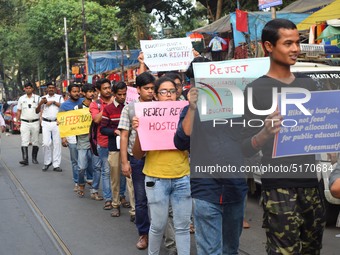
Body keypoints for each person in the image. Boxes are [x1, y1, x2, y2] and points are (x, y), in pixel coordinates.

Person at [241, 19, 325, 254]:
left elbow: (320, 129)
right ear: (269, 46)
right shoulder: (255, 90)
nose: (296, 49)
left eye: (297, 42)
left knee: (312, 249)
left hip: (311, 184)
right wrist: (265, 133)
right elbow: (244, 147)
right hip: (279, 186)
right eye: (288, 43)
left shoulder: (308, 84)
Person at [132, 77, 192, 255]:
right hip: (156, 179)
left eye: (172, 91)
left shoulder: (186, 114)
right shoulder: (146, 115)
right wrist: (139, 131)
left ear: (177, 93)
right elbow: (137, 154)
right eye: (163, 92)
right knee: (157, 226)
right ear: (156, 96)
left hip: (182, 176)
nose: (168, 95)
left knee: (182, 227)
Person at [118, 72, 154, 250]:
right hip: (138, 159)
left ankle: (159, 232)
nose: (150, 91)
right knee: (141, 199)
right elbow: (124, 136)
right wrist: (125, 162)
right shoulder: (130, 109)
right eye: (146, 88)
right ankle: (143, 234)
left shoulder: (161, 106)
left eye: (152, 88)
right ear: (138, 89)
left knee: (159, 200)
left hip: (158, 159)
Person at [100, 81, 135, 220]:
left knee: (130, 179)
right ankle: (115, 204)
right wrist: (114, 131)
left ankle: (134, 210)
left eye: (124, 94)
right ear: (114, 94)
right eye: (119, 94)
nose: (122, 97)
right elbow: (103, 128)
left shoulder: (131, 107)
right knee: (115, 178)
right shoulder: (108, 109)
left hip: (129, 148)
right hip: (114, 148)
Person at [89, 78, 113, 211]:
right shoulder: (95, 104)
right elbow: (97, 119)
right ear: (98, 90)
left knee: (119, 172)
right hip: (103, 142)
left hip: (118, 142)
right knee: (106, 171)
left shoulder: (118, 100)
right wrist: (109, 107)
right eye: (105, 88)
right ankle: (108, 199)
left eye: (109, 87)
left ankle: (121, 196)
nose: (108, 90)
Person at [76, 84, 101, 198]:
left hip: (95, 140)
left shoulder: (98, 106)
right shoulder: (78, 108)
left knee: (96, 166)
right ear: (84, 93)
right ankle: (81, 183)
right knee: (82, 167)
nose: (92, 94)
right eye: (89, 92)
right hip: (82, 141)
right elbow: (72, 124)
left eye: (93, 91)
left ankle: (94, 189)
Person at [59, 84, 84, 190]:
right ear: (69, 93)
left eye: (78, 91)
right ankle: (77, 181)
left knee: (85, 160)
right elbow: (61, 123)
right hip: (71, 136)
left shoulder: (84, 102)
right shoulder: (64, 106)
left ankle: (86, 179)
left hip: (84, 136)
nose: (76, 93)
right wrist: (63, 137)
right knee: (75, 160)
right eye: (74, 91)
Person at [36, 82, 64, 172]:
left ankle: (56, 164)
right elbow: (36, 111)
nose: (51, 89)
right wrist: (41, 103)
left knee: (57, 143)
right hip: (46, 122)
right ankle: (47, 162)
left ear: (55, 89)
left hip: (56, 122)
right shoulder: (42, 98)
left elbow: (63, 107)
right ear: (46, 89)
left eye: (52, 87)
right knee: (46, 143)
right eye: (49, 88)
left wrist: (53, 102)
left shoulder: (59, 97)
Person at [16, 82, 41, 166]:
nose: (28, 89)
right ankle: (25, 159)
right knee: (24, 140)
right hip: (24, 122)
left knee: (35, 140)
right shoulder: (21, 99)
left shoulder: (38, 98)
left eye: (29, 88)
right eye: (26, 88)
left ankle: (34, 158)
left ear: (32, 89)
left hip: (35, 122)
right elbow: (19, 110)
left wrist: (41, 121)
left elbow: (41, 110)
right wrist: (17, 121)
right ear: (24, 89)